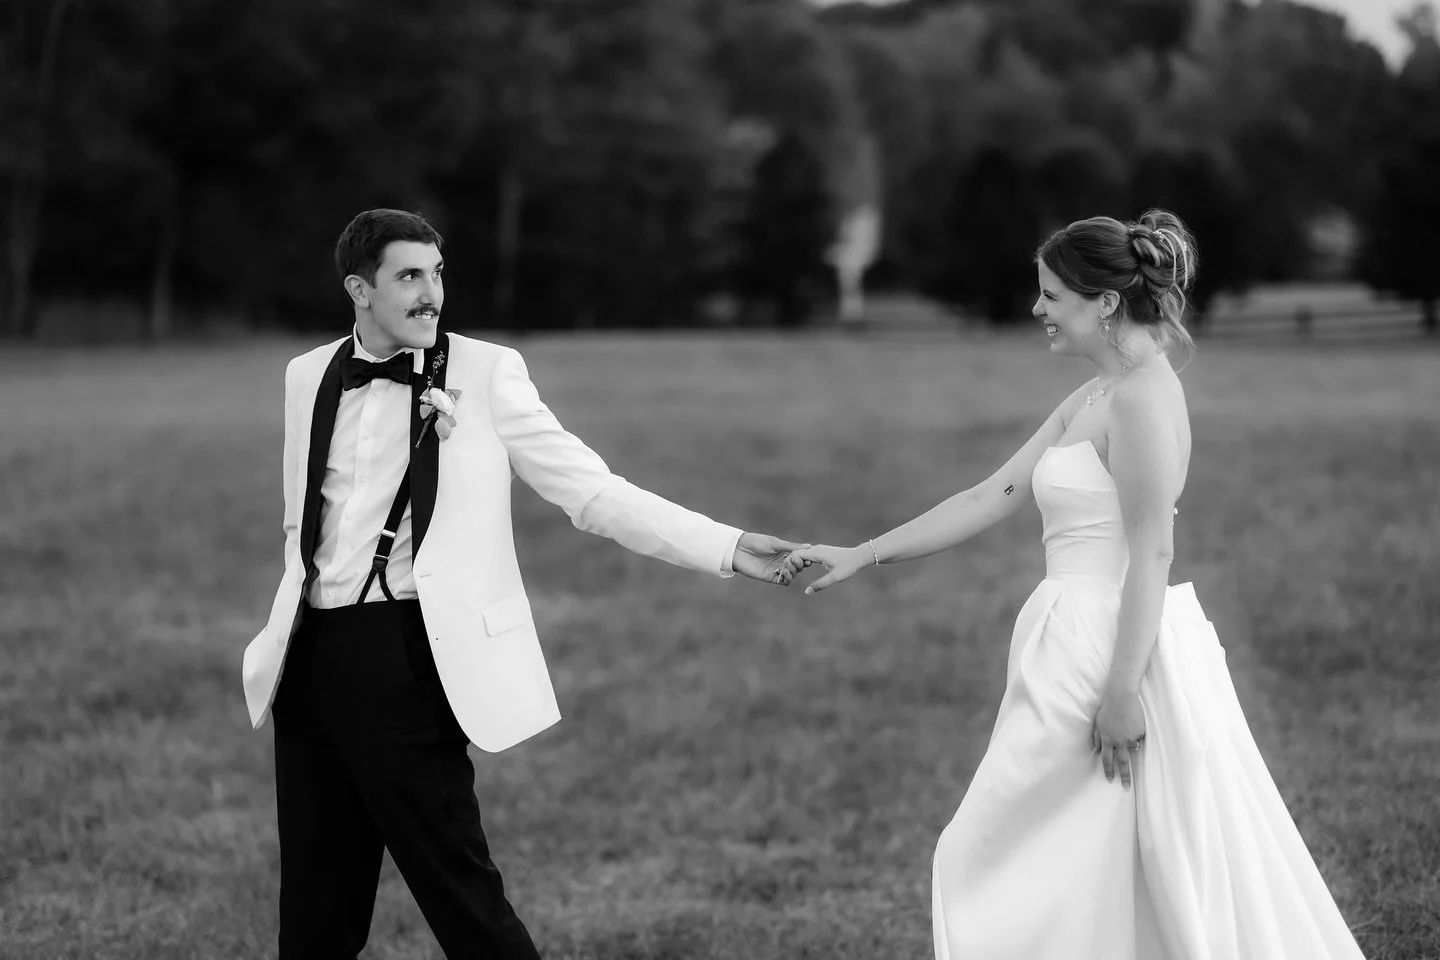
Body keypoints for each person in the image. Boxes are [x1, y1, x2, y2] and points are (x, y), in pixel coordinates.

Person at [792, 210, 1367, 959]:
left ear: (1103, 301)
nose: (1038, 310)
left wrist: (1124, 690)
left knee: (990, 853)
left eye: (1052, 296)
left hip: (1109, 647)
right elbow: (989, 495)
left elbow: (1152, 552)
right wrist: (863, 553)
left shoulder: (1143, 399)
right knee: (1080, 859)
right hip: (1066, 640)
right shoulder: (1097, 394)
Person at [240, 208, 805, 959]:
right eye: (410, 276)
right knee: (314, 913)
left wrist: (728, 547)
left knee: (461, 895)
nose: (431, 294)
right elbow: (303, 522)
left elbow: (593, 493)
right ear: (359, 288)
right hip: (307, 663)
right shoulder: (305, 375)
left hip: (405, 656)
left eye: (437, 274)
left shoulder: (485, 373)